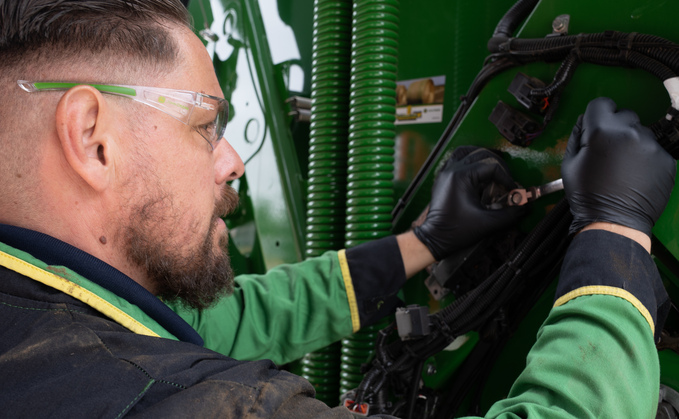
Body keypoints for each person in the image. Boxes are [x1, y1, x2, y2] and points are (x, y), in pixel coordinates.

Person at [0, 1, 674, 418]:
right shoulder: (175, 401)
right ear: (93, 139)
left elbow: (234, 317)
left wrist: (427, 241)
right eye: (205, 123)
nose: (231, 160)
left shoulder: (41, 318)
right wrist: (614, 233)